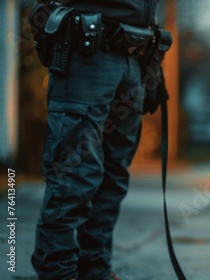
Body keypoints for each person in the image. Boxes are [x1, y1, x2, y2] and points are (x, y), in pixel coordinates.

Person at [29, 1, 167, 279]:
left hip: (135, 56)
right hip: (86, 51)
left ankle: (95, 270)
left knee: (113, 177)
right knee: (73, 177)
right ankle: (58, 272)